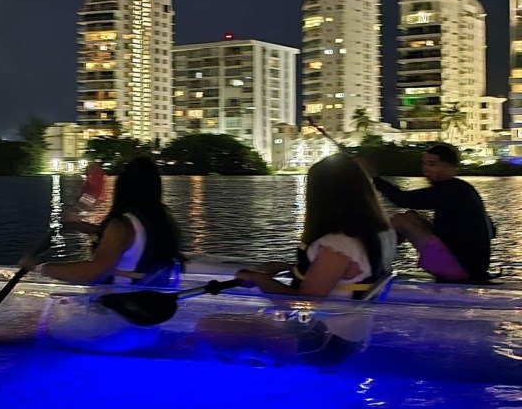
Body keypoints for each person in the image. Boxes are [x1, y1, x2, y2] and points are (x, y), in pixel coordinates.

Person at [196, 153, 397, 365]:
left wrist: (259, 279)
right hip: (350, 338)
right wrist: (289, 269)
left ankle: (259, 375)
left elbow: (302, 304)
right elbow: (343, 280)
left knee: (210, 326)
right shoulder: (383, 235)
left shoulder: (339, 245)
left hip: (321, 343)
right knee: (241, 325)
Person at [20, 156, 184, 287]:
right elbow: (131, 243)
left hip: (118, 311)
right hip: (153, 307)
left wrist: (38, 267)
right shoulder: (164, 221)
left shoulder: (121, 225)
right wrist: (83, 227)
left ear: (123, 186)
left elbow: (96, 272)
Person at [363, 144, 495, 282]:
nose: (426, 169)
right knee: (410, 216)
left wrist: (374, 177)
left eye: (432, 164)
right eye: (424, 164)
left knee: (400, 222)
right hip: (473, 268)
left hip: (458, 270)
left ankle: (367, 263)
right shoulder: (464, 189)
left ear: (450, 167)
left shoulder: (448, 190)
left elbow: (402, 199)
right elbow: (492, 229)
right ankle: (375, 257)